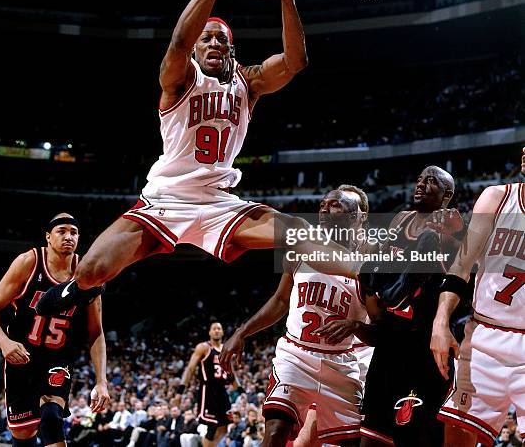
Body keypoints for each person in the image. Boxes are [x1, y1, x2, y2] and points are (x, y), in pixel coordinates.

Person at [35, 0, 307, 317]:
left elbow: (296, 62)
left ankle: (383, 272)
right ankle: (75, 292)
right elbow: (179, 41)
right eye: (206, 39)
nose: (213, 44)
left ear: (232, 49)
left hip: (219, 203)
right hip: (165, 200)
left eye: (221, 40)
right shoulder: (180, 78)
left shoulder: (250, 81)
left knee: (303, 234)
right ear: (197, 49)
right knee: (91, 271)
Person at [220, 186, 370, 446]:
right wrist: (241, 332)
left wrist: (355, 325)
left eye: (336, 205)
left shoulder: (370, 261)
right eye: (323, 204)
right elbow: (280, 300)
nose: (325, 208)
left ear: (359, 217)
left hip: (342, 364)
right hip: (297, 356)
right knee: (276, 431)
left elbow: (382, 322)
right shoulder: (300, 248)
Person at [353, 166, 464, 447]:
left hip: (423, 340)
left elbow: (463, 268)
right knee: (373, 434)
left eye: (431, 181)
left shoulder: (450, 223)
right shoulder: (401, 219)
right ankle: (394, 289)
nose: (421, 184)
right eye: (419, 179)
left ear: (447, 194)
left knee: (414, 433)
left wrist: (454, 237)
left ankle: (402, 288)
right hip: (392, 336)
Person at [0, 213, 110, 447]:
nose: (68, 236)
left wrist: (101, 381)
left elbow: (96, 332)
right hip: (22, 356)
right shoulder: (28, 262)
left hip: (58, 357)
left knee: (51, 417)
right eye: (62, 231)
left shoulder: (88, 274)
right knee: (23, 433)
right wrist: (4, 342)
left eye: (73, 232)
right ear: (48, 237)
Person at [431, 148, 525, 447]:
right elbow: (462, 265)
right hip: (485, 336)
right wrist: (441, 322)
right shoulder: (497, 198)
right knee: (457, 437)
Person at [179, 322, 234, 447]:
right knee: (212, 427)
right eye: (214, 329)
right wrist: (180, 390)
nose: (216, 331)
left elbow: (232, 373)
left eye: (219, 328)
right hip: (208, 389)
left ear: (223, 332)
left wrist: (240, 390)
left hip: (222, 391)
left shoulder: (226, 349)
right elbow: (190, 368)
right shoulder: (203, 347)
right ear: (209, 332)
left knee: (223, 428)